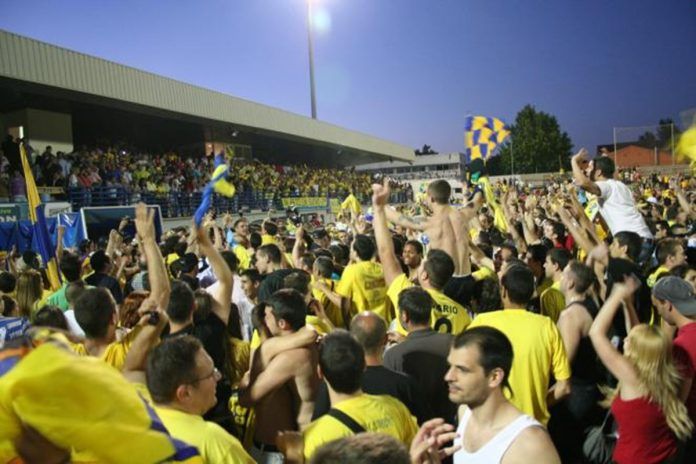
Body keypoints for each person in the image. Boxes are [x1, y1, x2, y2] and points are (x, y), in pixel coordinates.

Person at [589, 277, 693, 463]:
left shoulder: (634, 380)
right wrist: (628, 305)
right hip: (667, 454)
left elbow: (596, 333)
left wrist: (616, 295)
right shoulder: (666, 371)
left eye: (630, 341)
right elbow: (640, 339)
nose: (625, 340)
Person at [467, 265, 571, 425]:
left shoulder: (481, 322)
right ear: (532, 293)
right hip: (532, 427)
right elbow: (564, 387)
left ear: (503, 291)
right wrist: (538, 406)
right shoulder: (546, 326)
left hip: (491, 425)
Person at [446, 326, 561, 464]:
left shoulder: (529, 443)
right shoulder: (464, 413)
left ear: (494, 377)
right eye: (450, 366)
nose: (449, 376)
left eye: (462, 370)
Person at [302, 330, 418, 461]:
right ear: (363, 365)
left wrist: (292, 455)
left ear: (320, 372)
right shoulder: (395, 407)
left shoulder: (316, 435)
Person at [372, 182, 470, 336]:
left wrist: (379, 206)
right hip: (464, 278)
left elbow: (386, 250)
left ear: (424, 275)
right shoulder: (462, 314)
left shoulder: (408, 296)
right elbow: (477, 202)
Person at [239, 289, 320, 463]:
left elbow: (247, 399)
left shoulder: (291, 358)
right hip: (299, 442)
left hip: (283, 451)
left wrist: (243, 383)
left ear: (282, 323)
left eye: (267, 316)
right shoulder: (306, 342)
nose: (264, 320)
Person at [146, 336, 254, 464]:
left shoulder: (142, 428)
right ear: (185, 393)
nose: (218, 377)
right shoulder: (212, 442)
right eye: (210, 374)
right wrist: (285, 450)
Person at [312, 311, 431, 423]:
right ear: (385, 340)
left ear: (353, 339)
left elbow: (318, 425)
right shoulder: (405, 385)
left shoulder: (335, 385)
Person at [550, 260, 603, 462]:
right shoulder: (592, 304)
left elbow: (564, 361)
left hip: (575, 395)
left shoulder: (571, 315)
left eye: (564, 274)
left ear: (571, 283)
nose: (560, 278)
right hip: (589, 388)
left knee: (568, 450)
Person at [384, 287, 456, 423]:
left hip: (414, 434)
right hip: (451, 429)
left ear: (404, 315)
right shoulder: (454, 343)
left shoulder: (393, 355)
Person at [571, 148, 653, 264]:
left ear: (598, 172)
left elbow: (583, 183)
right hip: (642, 239)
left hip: (633, 243)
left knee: (606, 270)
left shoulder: (606, 186)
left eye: (590, 167)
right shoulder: (619, 186)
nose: (586, 171)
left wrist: (574, 161)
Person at [652, 276, 696, 453]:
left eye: (657, 307)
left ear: (667, 304)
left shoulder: (683, 345)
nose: (659, 313)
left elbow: (679, 398)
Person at [313, 234, 388, 322]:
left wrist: (324, 288)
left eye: (351, 248)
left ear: (356, 252)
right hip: (384, 322)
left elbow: (342, 303)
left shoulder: (352, 271)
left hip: (364, 325)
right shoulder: (382, 268)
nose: (350, 251)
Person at [540, 248, 570, 322]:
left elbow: (550, 324)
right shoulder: (575, 285)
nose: (544, 265)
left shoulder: (548, 294)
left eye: (547, 262)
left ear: (556, 266)